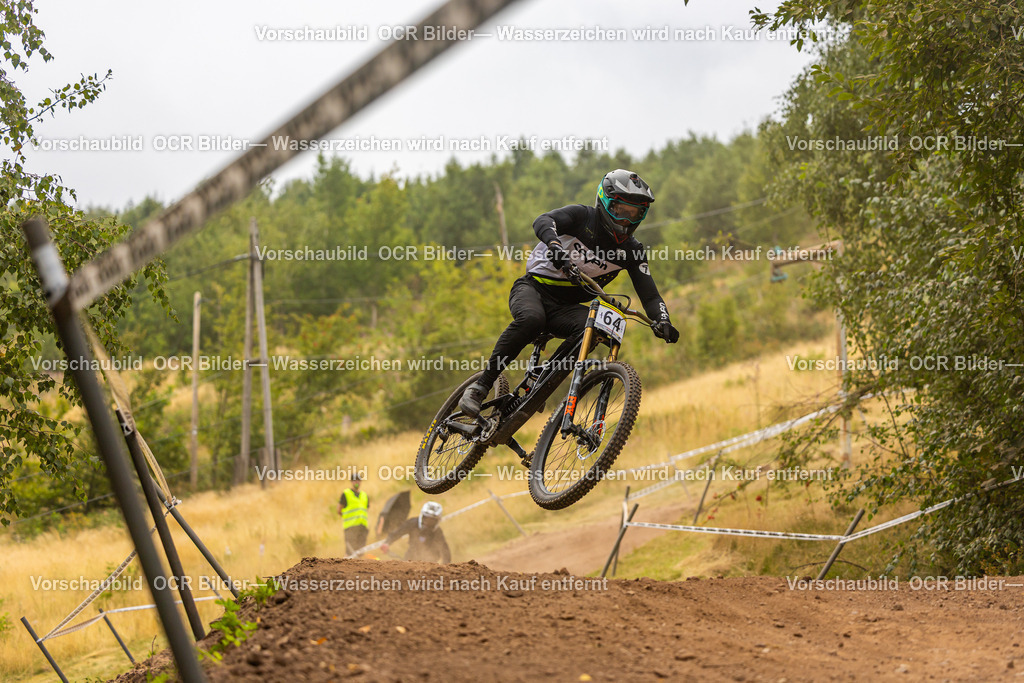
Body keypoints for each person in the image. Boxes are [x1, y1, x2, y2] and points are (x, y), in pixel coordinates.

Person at [459, 169, 680, 417]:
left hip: (566, 309)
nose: (626, 221)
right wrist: (554, 245)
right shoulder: (582, 217)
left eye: (634, 214)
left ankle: (542, 382)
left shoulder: (632, 250)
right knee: (532, 320)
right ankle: (481, 387)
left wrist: (663, 320)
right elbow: (543, 221)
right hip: (533, 289)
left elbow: (650, 296)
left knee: (593, 329)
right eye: (621, 211)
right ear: (605, 202)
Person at [381, 501, 451, 564]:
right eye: (426, 518)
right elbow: (397, 532)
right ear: (422, 516)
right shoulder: (412, 523)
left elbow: (445, 551)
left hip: (430, 564)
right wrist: (387, 543)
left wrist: (444, 567)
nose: (428, 522)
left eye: (432, 520)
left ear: (437, 521)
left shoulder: (437, 532)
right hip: (410, 558)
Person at [337, 472, 369, 554]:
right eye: (355, 480)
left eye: (358, 480)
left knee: (361, 553)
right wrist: (347, 518)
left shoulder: (364, 495)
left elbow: (366, 510)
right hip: (350, 528)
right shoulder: (346, 494)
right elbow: (339, 510)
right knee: (350, 552)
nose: (357, 482)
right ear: (351, 482)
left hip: (362, 527)